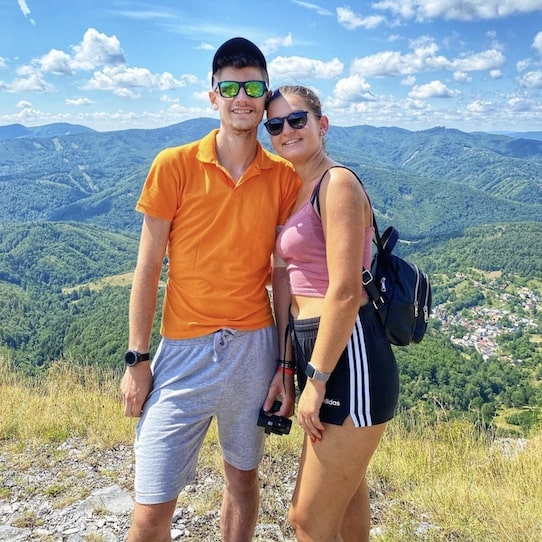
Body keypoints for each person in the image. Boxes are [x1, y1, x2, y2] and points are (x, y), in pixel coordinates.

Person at [120, 38, 299, 542]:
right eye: (230, 86)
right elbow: (148, 265)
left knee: (242, 479)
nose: (242, 97)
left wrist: (285, 365)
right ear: (212, 94)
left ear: (266, 96)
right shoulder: (173, 164)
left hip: (255, 347)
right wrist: (137, 359)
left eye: (254, 87)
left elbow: (282, 276)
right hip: (182, 352)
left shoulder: (281, 177)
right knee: (150, 508)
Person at [265, 85, 400, 542]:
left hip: (349, 353)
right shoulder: (293, 189)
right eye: (276, 124)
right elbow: (287, 283)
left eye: (297, 119)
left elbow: (344, 292)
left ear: (322, 125)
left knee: (307, 520)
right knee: (343, 504)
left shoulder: (336, 183)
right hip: (313, 348)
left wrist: (317, 380)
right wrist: (288, 367)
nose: (287, 130)